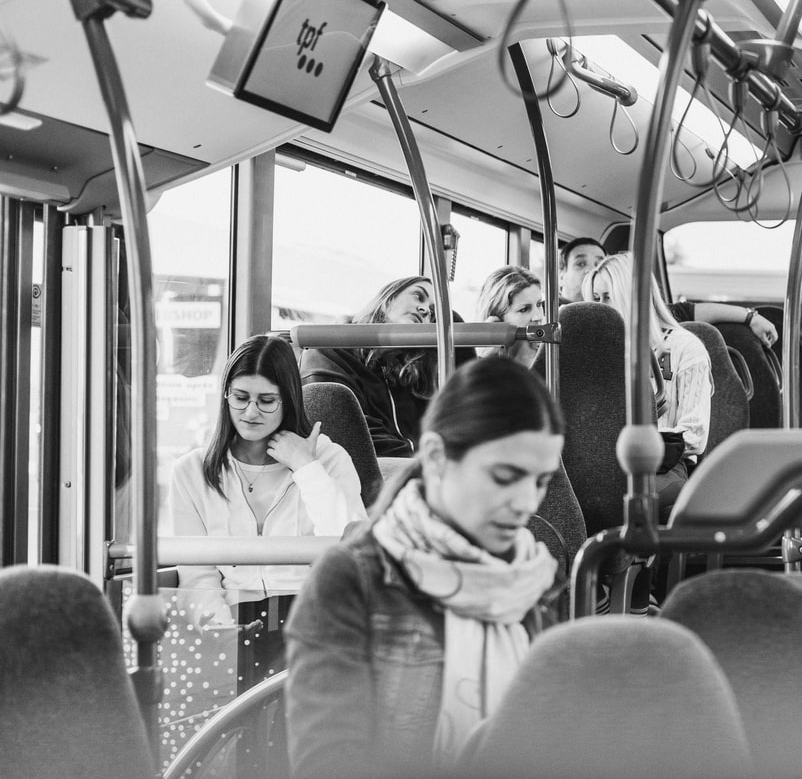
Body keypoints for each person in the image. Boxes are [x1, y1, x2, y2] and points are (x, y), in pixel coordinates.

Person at [285, 357, 564, 777]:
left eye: (541, 482)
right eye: (505, 476)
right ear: (436, 457)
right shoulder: (352, 579)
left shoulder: (531, 577)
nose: (527, 503)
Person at [164, 334, 365, 691]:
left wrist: (306, 467)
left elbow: (353, 548)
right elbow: (197, 574)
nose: (251, 412)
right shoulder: (191, 471)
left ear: (289, 400)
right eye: (240, 398)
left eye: (267, 401)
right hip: (234, 624)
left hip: (315, 622)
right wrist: (219, 628)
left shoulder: (328, 459)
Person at [585, 252, 712, 513]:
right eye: (596, 299)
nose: (602, 308)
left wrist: (631, 445)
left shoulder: (685, 347)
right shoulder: (594, 351)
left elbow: (694, 435)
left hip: (663, 466)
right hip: (599, 463)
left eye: (608, 297)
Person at [300, 276, 444, 457]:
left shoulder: (411, 376)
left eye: (432, 313)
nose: (424, 310)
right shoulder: (330, 351)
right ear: (389, 298)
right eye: (418, 296)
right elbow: (346, 429)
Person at [559, 236, 780, 346]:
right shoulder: (552, 319)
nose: (591, 269)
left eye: (599, 261)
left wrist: (750, 316)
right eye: (580, 263)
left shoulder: (645, 317)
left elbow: (690, 311)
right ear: (561, 274)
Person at [476, 265, 545, 368]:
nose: (539, 316)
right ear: (497, 323)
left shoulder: (551, 359)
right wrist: (484, 358)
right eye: (524, 309)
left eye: (539, 304)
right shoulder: (485, 369)